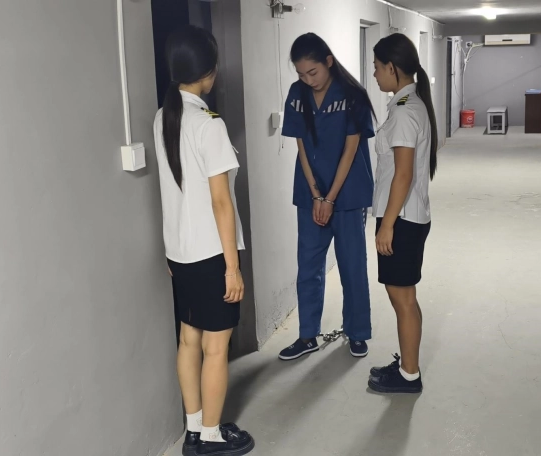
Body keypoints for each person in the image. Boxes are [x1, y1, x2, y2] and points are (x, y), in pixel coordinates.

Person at [153, 26, 254, 456]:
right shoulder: (208, 124)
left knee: (188, 339)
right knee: (216, 348)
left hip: (181, 253)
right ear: (209, 72)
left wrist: (173, 251)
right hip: (212, 254)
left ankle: (194, 428)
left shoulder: (164, 116)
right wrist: (232, 268)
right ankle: (210, 437)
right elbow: (221, 203)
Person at [278, 33, 377, 361]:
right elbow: (302, 147)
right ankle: (307, 335)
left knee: (352, 265)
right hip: (311, 195)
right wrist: (316, 195)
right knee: (308, 266)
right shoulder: (297, 94)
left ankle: (357, 332)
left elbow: (351, 149)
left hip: (347, 195)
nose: (308, 80)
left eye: (313, 72)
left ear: (329, 62)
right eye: (301, 74)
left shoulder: (352, 95)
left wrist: (331, 198)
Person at [367, 33, 438, 394]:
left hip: (401, 219)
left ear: (392, 68)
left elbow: (403, 174)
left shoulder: (405, 110)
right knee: (406, 297)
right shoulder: (409, 103)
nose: (375, 74)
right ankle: (409, 367)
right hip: (408, 215)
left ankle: (409, 375)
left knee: (403, 299)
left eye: (377, 67)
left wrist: (387, 226)